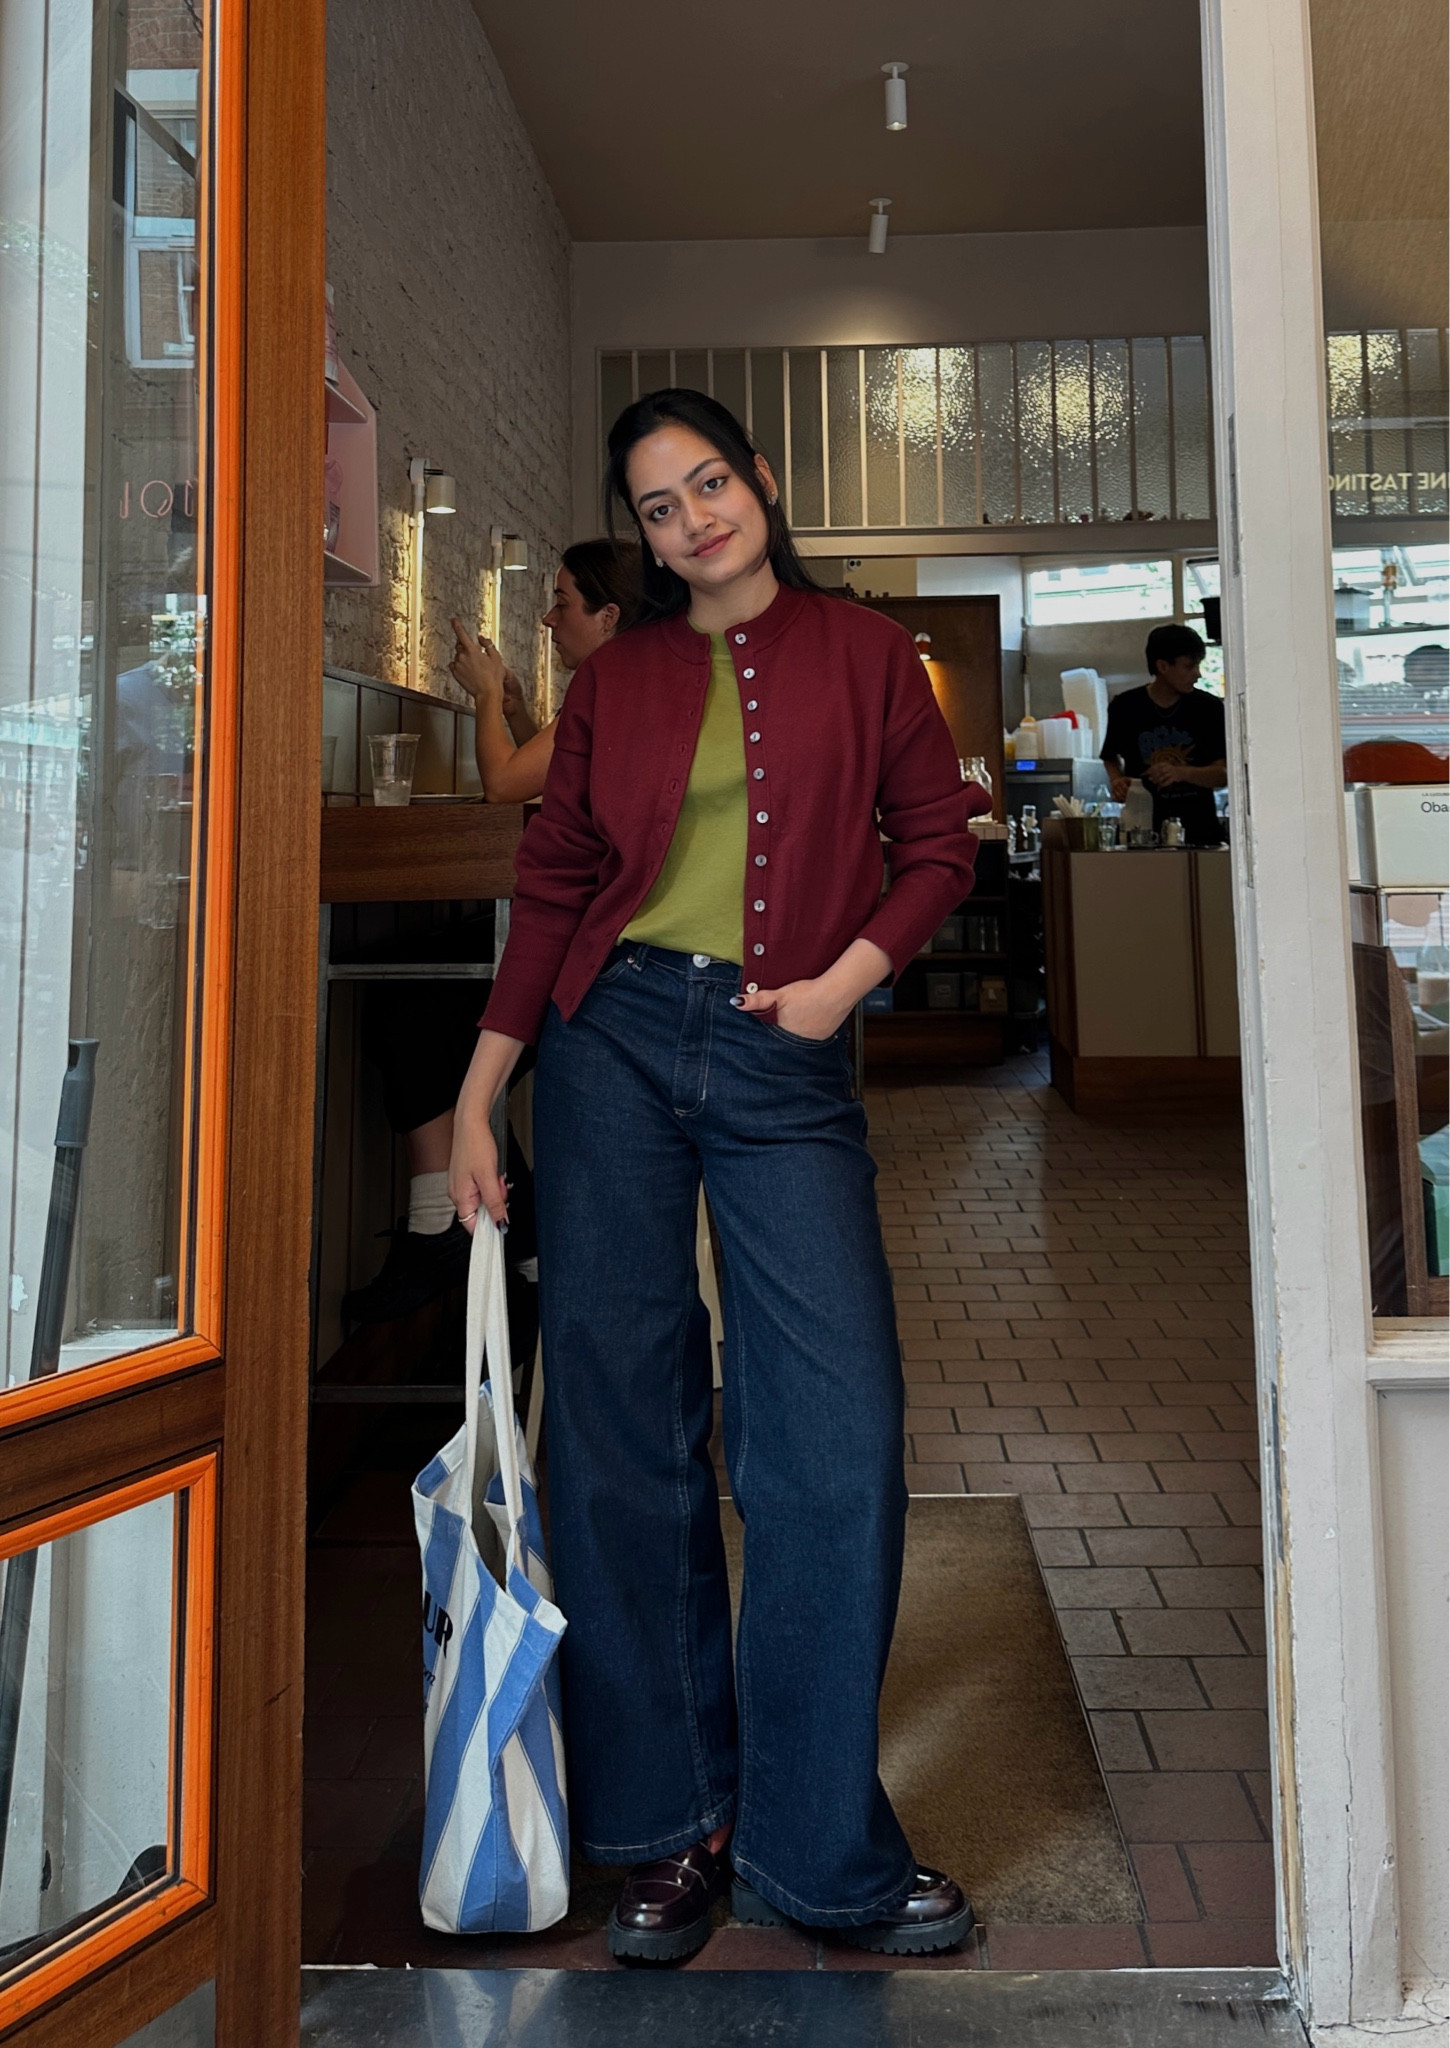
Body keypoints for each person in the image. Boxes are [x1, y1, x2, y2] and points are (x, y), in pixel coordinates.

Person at [449, 387, 987, 1966]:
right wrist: (485, 1093)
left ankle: (820, 1849)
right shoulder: (615, 677)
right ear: (647, 536)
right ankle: (665, 1832)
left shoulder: (869, 655)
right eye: (659, 506)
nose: (692, 520)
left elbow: (939, 843)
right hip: (606, 1048)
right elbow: (554, 883)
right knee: (620, 1431)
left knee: (833, 1431)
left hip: (783, 1053)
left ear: (759, 479)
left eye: (708, 484)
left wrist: (841, 987)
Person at [448, 539, 639, 801]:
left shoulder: (613, 688)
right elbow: (557, 766)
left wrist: (486, 692)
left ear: (608, 617)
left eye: (561, 604)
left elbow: (502, 786)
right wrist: (515, 710)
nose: (548, 619)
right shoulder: (626, 679)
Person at [1101, 623, 1227, 844]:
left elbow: (1223, 774)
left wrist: (1180, 773)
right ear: (1162, 666)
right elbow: (1110, 756)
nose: (1197, 674)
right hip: (1142, 830)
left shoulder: (1209, 708)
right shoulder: (1125, 706)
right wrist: (1117, 780)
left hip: (1199, 831)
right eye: (1189, 667)